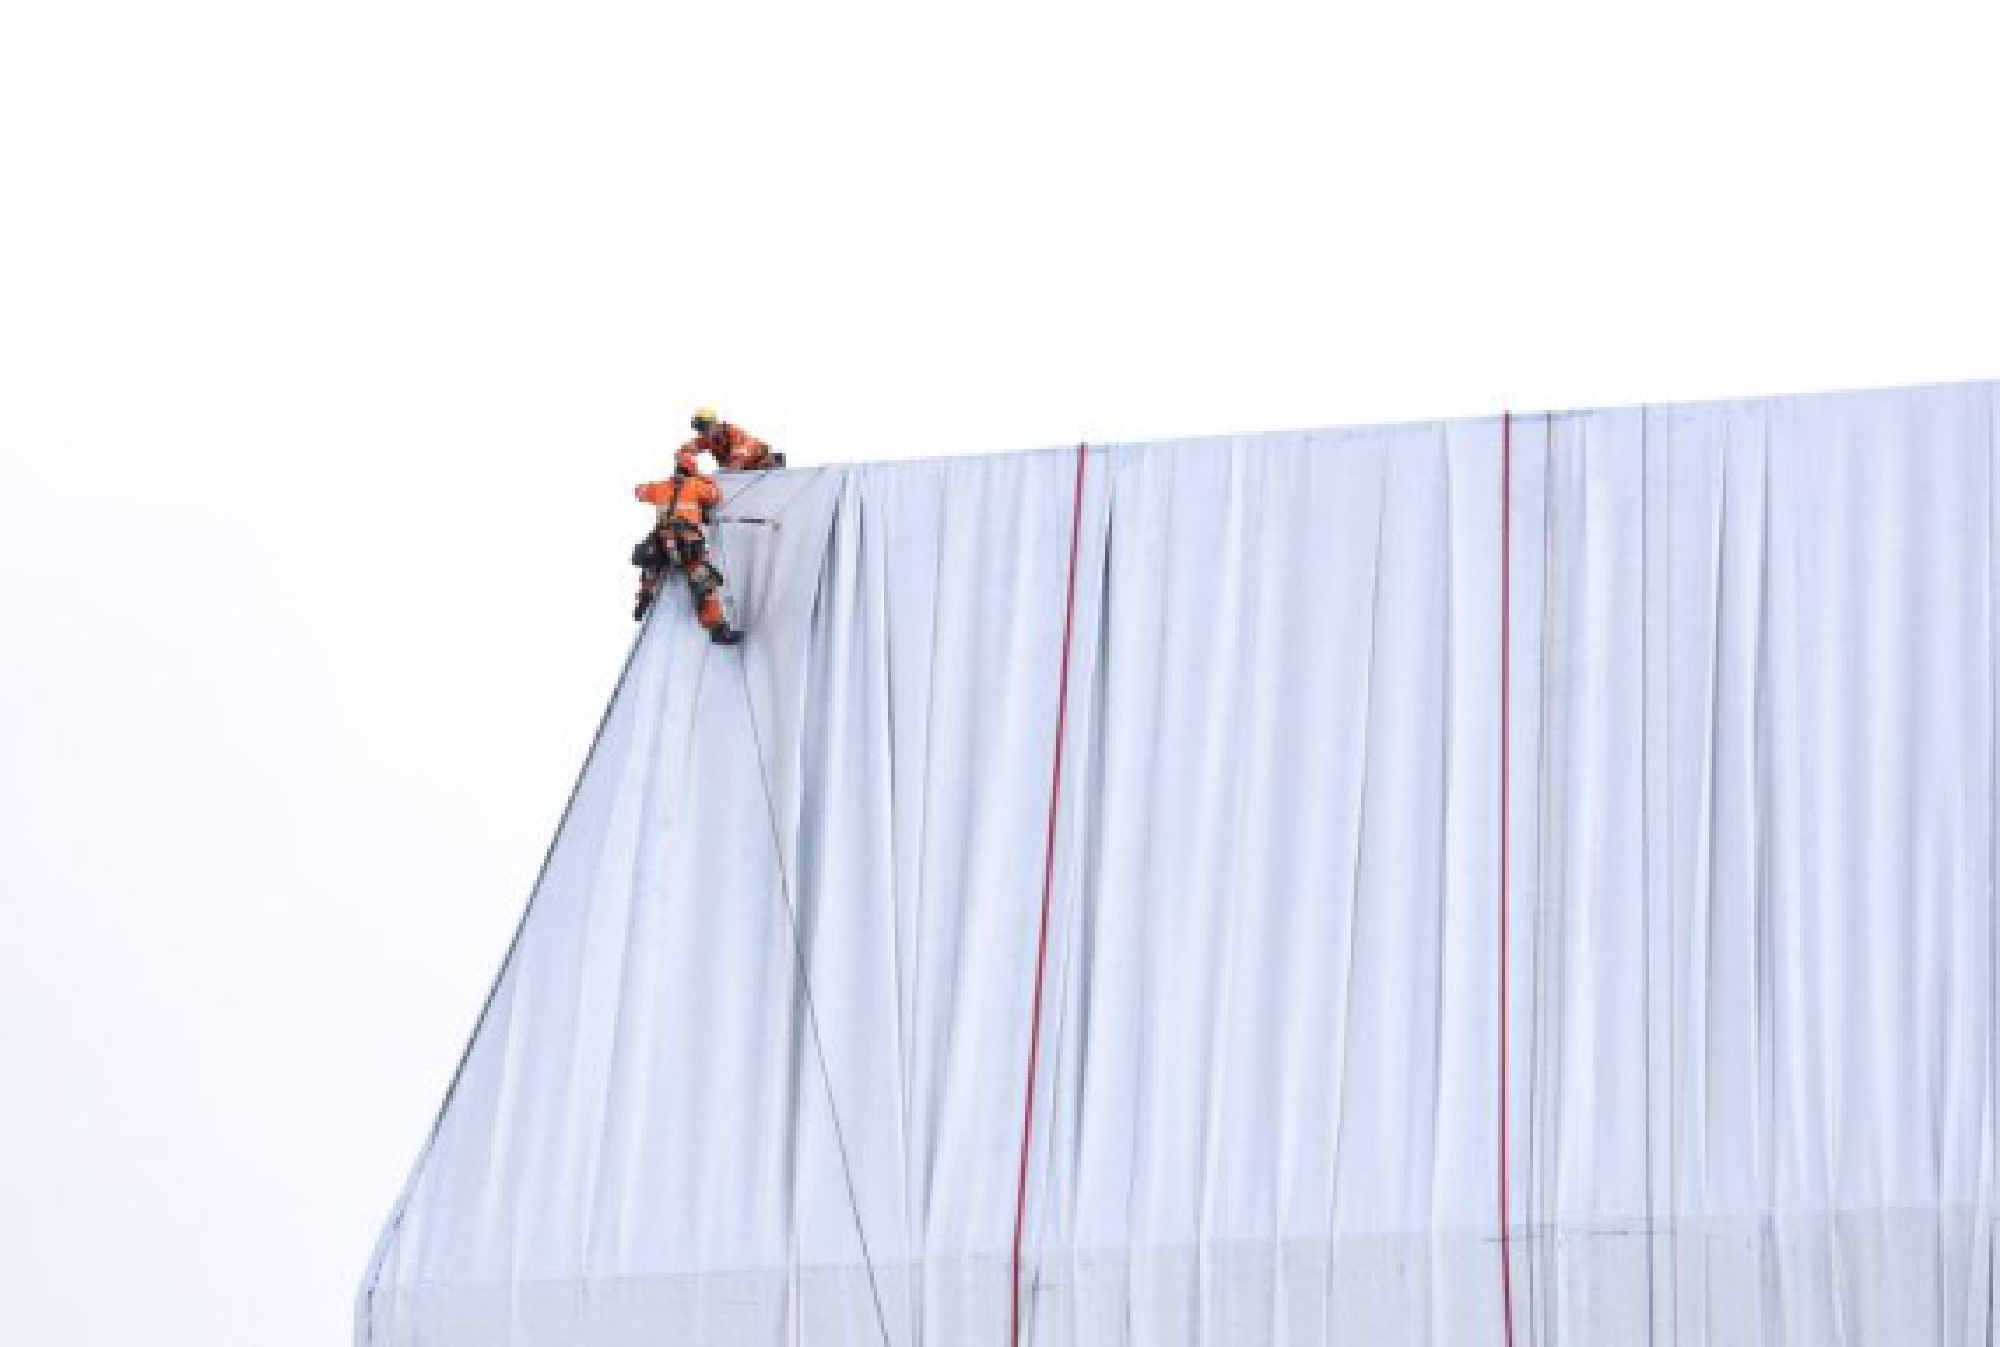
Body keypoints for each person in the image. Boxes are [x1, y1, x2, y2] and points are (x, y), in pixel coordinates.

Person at [631, 447, 743, 644]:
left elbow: (637, 492)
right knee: (704, 579)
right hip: (687, 542)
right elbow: (716, 495)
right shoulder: (697, 485)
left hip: (662, 541)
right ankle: (717, 628)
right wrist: (702, 478)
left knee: (650, 567)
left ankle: (643, 601)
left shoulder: (659, 487)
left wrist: (653, 487)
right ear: (692, 470)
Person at [686, 407, 784, 472]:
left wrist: (726, 471)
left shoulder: (735, 434)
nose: (702, 432)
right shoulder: (706, 438)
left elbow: (738, 459)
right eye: (699, 429)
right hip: (744, 474)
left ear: (713, 424)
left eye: (703, 427)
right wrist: (685, 466)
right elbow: (685, 450)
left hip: (764, 467)